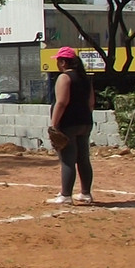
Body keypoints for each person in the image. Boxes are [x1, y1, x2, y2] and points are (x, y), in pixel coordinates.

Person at [47, 46, 96, 205]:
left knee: (68, 159)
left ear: (63, 62)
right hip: (85, 122)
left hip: (69, 123)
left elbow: (61, 102)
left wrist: (54, 125)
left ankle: (65, 195)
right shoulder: (85, 78)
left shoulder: (64, 78)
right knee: (83, 159)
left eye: (58, 61)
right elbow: (91, 103)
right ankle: (86, 194)